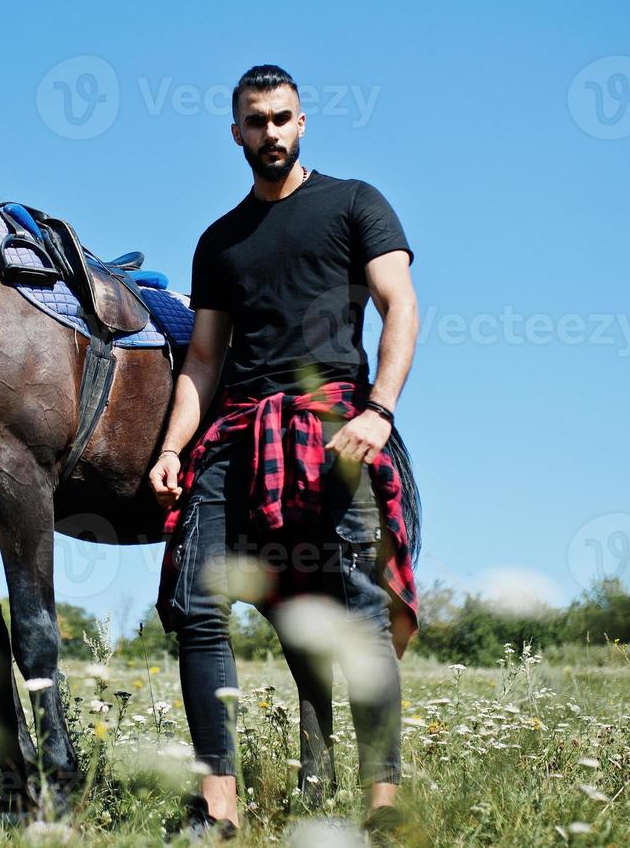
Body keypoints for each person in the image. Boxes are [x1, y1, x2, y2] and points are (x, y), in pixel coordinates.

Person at [149, 64, 423, 838]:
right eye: (255, 121)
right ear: (234, 132)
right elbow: (203, 359)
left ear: (302, 123)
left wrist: (378, 411)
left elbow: (398, 305)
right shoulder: (219, 241)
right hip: (236, 429)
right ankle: (218, 809)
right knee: (195, 603)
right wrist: (173, 447)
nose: (269, 132)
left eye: (281, 118)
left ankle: (383, 809)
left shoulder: (354, 203)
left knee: (363, 615)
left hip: (336, 420)